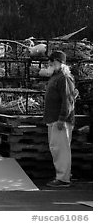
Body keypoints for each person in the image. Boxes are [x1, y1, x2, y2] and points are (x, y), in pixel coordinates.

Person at [42, 50, 78, 188]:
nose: (49, 64)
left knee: (61, 149)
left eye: (51, 61)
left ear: (58, 62)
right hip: (54, 119)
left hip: (60, 120)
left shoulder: (64, 77)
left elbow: (68, 100)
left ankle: (63, 178)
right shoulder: (56, 77)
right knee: (56, 148)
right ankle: (63, 174)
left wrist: (62, 119)